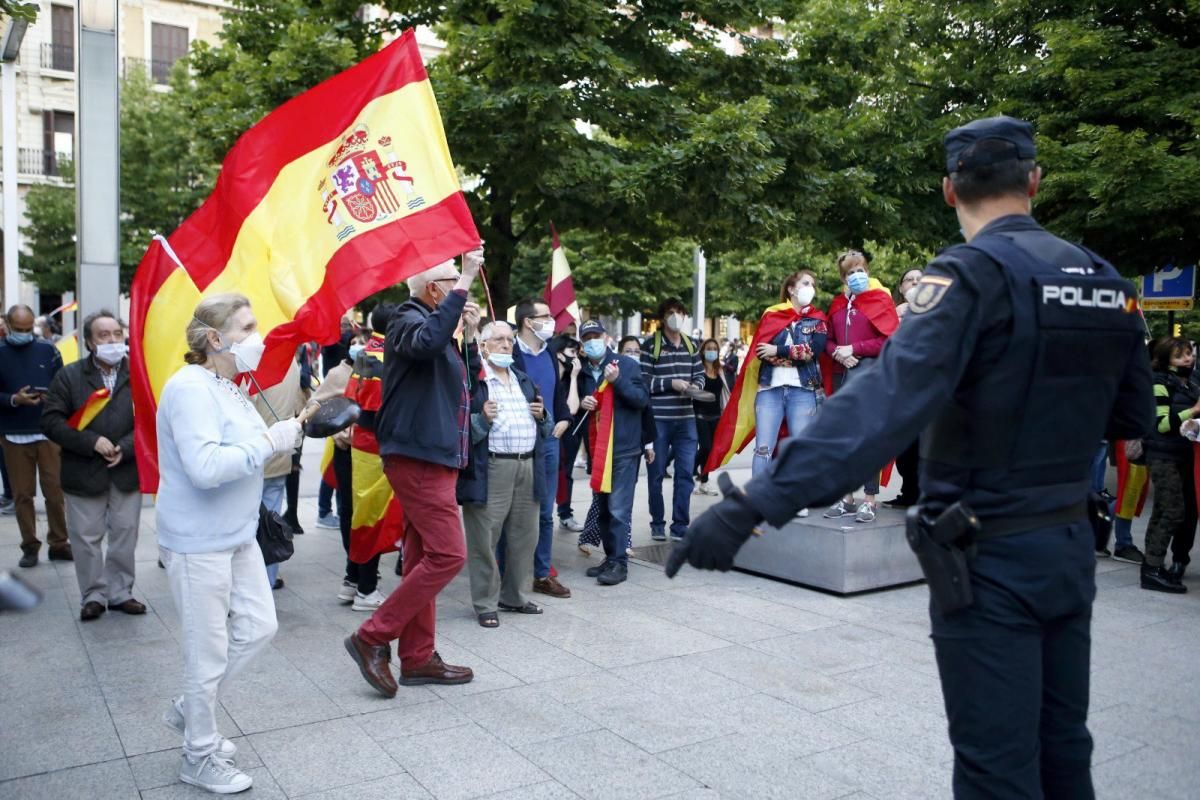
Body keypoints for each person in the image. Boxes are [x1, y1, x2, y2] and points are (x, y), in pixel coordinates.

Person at [668, 116, 1153, 800]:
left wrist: (753, 505)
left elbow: (881, 405)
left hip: (989, 557)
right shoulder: (1104, 278)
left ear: (950, 190)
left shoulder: (970, 275)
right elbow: (1133, 418)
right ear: (1036, 182)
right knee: (1064, 748)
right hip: (1070, 544)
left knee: (996, 765)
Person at [156, 293, 300, 794]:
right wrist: (270, 441)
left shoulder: (227, 385)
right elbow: (205, 468)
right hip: (199, 542)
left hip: (237, 536)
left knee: (260, 627)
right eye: (247, 327)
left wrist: (292, 428)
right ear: (215, 339)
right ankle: (198, 753)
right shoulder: (191, 389)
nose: (257, 337)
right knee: (206, 650)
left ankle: (189, 709)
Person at [344, 248, 484, 698]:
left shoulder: (440, 326)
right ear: (433, 290)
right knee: (448, 556)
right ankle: (372, 635)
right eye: (451, 283)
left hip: (437, 457)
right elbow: (426, 343)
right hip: (420, 458)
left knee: (426, 558)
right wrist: (464, 282)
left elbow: (470, 382)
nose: (462, 291)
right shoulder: (407, 319)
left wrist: (472, 331)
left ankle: (419, 657)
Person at [41, 311, 143, 621]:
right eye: (103, 335)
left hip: (125, 470)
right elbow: (51, 421)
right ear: (89, 341)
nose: (112, 340)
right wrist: (91, 442)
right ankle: (94, 595)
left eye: (116, 334)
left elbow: (151, 421)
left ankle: (120, 592)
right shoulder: (69, 376)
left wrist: (124, 448)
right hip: (83, 470)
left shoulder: (138, 374)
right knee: (86, 537)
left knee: (125, 533)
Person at [460, 321, 555, 627]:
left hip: (528, 464)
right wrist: (481, 420)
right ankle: (486, 603)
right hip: (492, 466)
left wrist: (543, 418)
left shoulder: (523, 380)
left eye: (509, 340)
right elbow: (459, 431)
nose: (505, 344)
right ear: (483, 346)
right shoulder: (474, 382)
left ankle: (515, 596)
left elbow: (548, 427)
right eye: (498, 339)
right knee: (485, 537)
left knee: (525, 534)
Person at [822, 251, 899, 522]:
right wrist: (838, 353)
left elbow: (889, 339)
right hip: (841, 375)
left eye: (861, 269)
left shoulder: (881, 300)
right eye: (851, 272)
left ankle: (869, 499)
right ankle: (846, 497)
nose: (857, 275)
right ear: (843, 277)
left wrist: (854, 348)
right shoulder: (837, 304)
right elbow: (828, 340)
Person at [336, 303, 398, 611]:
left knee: (359, 514)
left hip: (361, 446)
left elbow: (352, 401)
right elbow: (374, 411)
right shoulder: (384, 358)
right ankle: (366, 588)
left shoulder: (365, 352)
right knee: (371, 517)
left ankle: (351, 581)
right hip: (376, 448)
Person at [575, 321, 649, 584]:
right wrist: (584, 403)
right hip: (598, 449)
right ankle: (610, 557)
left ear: (606, 337)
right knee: (603, 508)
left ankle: (620, 564)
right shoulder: (584, 372)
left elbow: (641, 400)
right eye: (587, 338)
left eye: (596, 336)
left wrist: (618, 382)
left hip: (623, 449)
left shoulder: (626, 365)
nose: (592, 341)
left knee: (618, 509)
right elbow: (583, 407)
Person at [0, 304, 70, 567]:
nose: (25, 334)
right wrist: (13, 400)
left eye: (29, 329)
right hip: (14, 434)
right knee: (22, 494)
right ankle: (29, 545)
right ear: (7, 324)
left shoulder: (47, 349)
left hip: (47, 430)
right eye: (19, 329)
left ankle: (59, 543)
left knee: (54, 490)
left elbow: (62, 382)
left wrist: (53, 397)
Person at [511, 299, 572, 599]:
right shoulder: (508, 353)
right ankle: (507, 571)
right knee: (514, 511)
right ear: (527, 322)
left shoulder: (548, 352)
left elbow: (557, 394)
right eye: (545, 316)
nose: (551, 320)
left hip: (549, 439)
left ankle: (542, 573)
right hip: (517, 440)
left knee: (546, 511)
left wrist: (563, 419)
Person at [640, 298, 703, 541]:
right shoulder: (650, 345)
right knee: (655, 473)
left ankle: (680, 526)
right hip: (658, 420)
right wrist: (671, 384)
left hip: (686, 420)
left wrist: (695, 387)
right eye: (671, 312)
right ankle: (657, 522)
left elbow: (699, 374)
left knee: (686, 473)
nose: (676, 316)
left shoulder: (691, 345)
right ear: (663, 317)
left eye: (679, 311)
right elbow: (643, 381)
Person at [1140, 336, 1197, 592]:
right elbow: (1162, 425)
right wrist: (1194, 411)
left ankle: (1152, 565)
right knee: (1173, 511)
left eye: (1189, 353)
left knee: (1164, 509)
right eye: (1181, 355)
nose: (1188, 358)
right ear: (1166, 361)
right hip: (1163, 456)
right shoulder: (1159, 382)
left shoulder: (1189, 383)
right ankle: (1152, 569)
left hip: (1182, 455)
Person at [252, 359, 308, 591]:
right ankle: (268, 579)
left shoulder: (248, 365)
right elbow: (299, 404)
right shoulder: (291, 364)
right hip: (280, 454)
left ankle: (252, 583)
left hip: (253, 455)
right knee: (272, 523)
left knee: (247, 525)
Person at [888, 269, 925, 508]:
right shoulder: (890, 314)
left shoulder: (938, 311)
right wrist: (894, 316)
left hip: (927, 388)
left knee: (926, 445)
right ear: (901, 288)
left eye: (919, 280)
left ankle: (925, 495)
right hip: (899, 388)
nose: (914, 283)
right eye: (909, 280)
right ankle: (908, 492)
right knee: (904, 446)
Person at [316, 316, 355, 530]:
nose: (346, 330)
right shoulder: (331, 347)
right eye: (343, 326)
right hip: (335, 418)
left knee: (340, 473)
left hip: (345, 418)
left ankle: (339, 511)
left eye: (348, 326)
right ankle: (323, 510)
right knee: (331, 468)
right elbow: (332, 340)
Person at [551, 334, 585, 531]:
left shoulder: (575, 379)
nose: (576, 357)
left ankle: (565, 513)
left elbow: (572, 408)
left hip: (570, 433)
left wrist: (572, 378)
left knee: (566, 473)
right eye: (572, 352)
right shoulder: (548, 376)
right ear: (559, 354)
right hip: (549, 433)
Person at [694, 338, 732, 496]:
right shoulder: (697, 370)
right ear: (703, 351)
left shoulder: (720, 370)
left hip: (716, 415)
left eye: (714, 349)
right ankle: (688, 470)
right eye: (709, 348)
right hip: (700, 414)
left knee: (710, 452)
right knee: (705, 447)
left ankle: (704, 482)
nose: (712, 351)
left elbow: (725, 393)